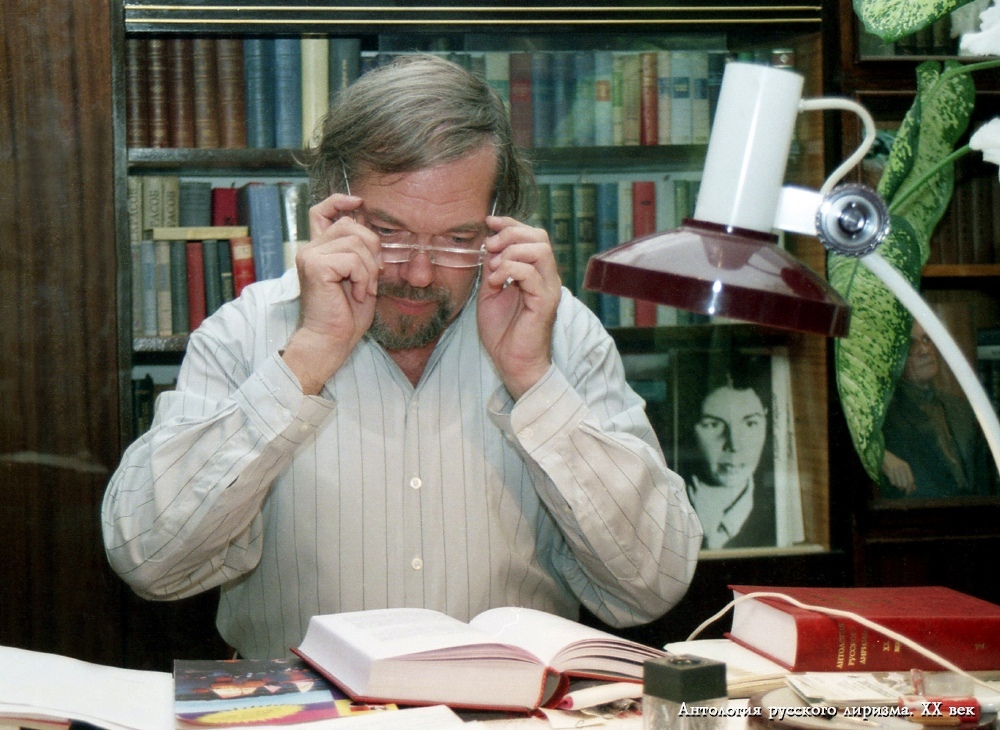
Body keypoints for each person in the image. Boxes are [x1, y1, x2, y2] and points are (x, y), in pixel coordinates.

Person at [102, 55, 703, 659]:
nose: (418, 274)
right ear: (334, 203)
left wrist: (533, 382)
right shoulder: (246, 334)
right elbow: (149, 561)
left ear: (500, 223)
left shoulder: (561, 334)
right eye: (388, 232)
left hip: (508, 704)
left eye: (458, 240)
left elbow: (652, 587)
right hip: (304, 706)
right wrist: (306, 360)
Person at [881, 320, 996, 498]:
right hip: (920, 512)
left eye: (927, 339)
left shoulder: (962, 409)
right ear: (894, 357)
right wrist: (881, 456)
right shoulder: (885, 414)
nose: (925, 350)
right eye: (911, 344)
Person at [678, 354, 775, 549]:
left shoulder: (779, 513)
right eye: (713, 424)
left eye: (750, 424)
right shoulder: (669, 501)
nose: (734, 445)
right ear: (689, 426)